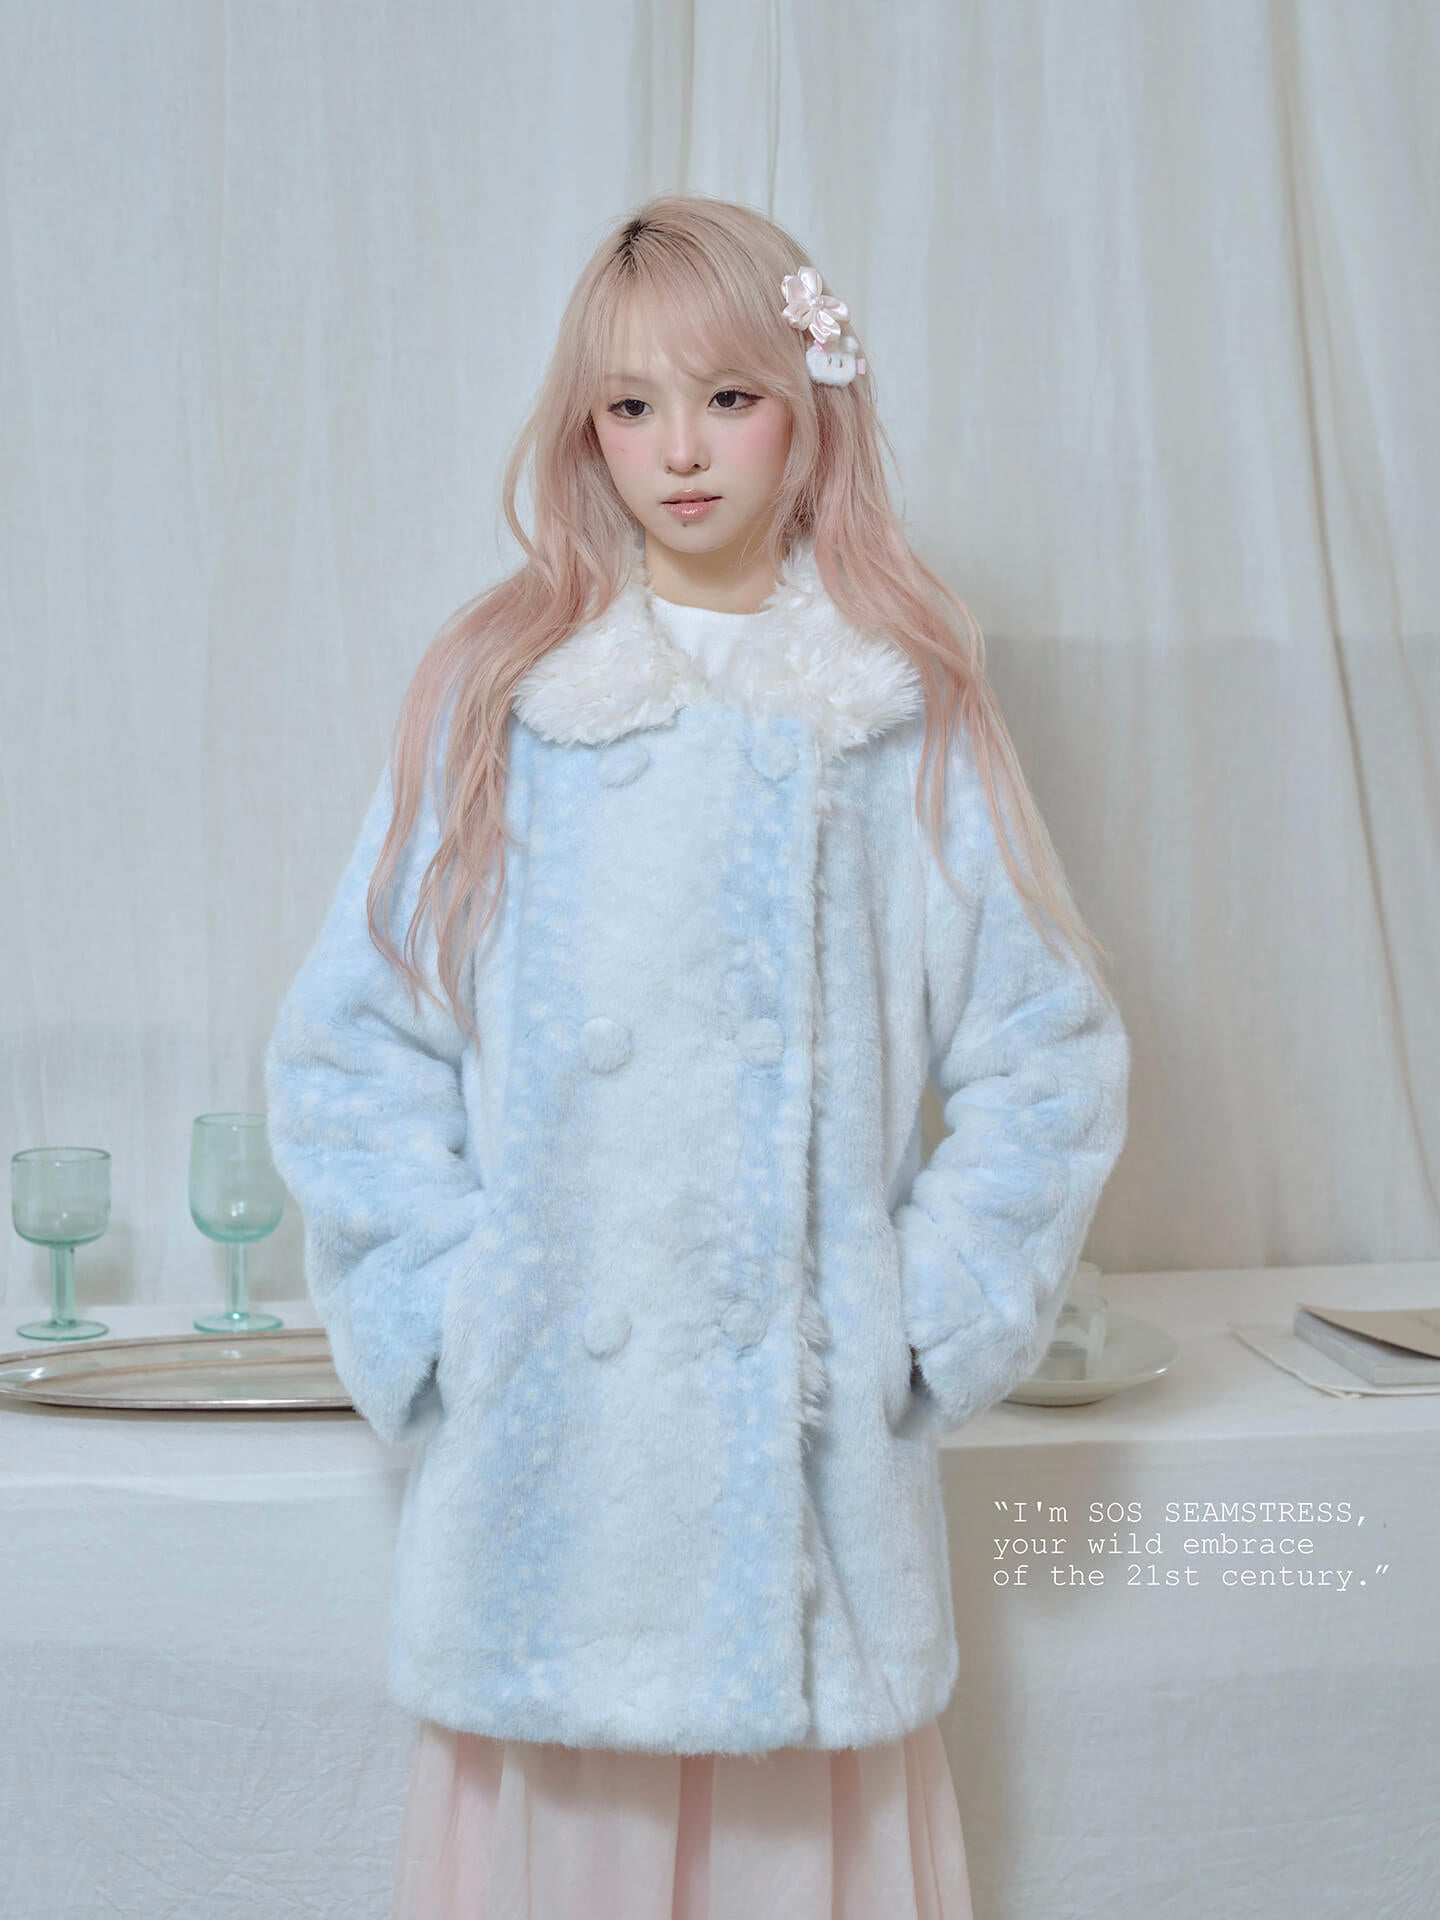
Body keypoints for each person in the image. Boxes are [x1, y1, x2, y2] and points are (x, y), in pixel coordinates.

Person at [262, 192, 1131, 1919]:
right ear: (584, 428)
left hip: (802, 1508)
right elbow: (355, 1044)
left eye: (729, 399)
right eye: (631, 405)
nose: (679, 451)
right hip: (552, 1487)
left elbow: (1047, 1053)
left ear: (810, 408)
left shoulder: (901, 704)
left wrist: (918, 1321)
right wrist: (448, 1311)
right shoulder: (505, 693)